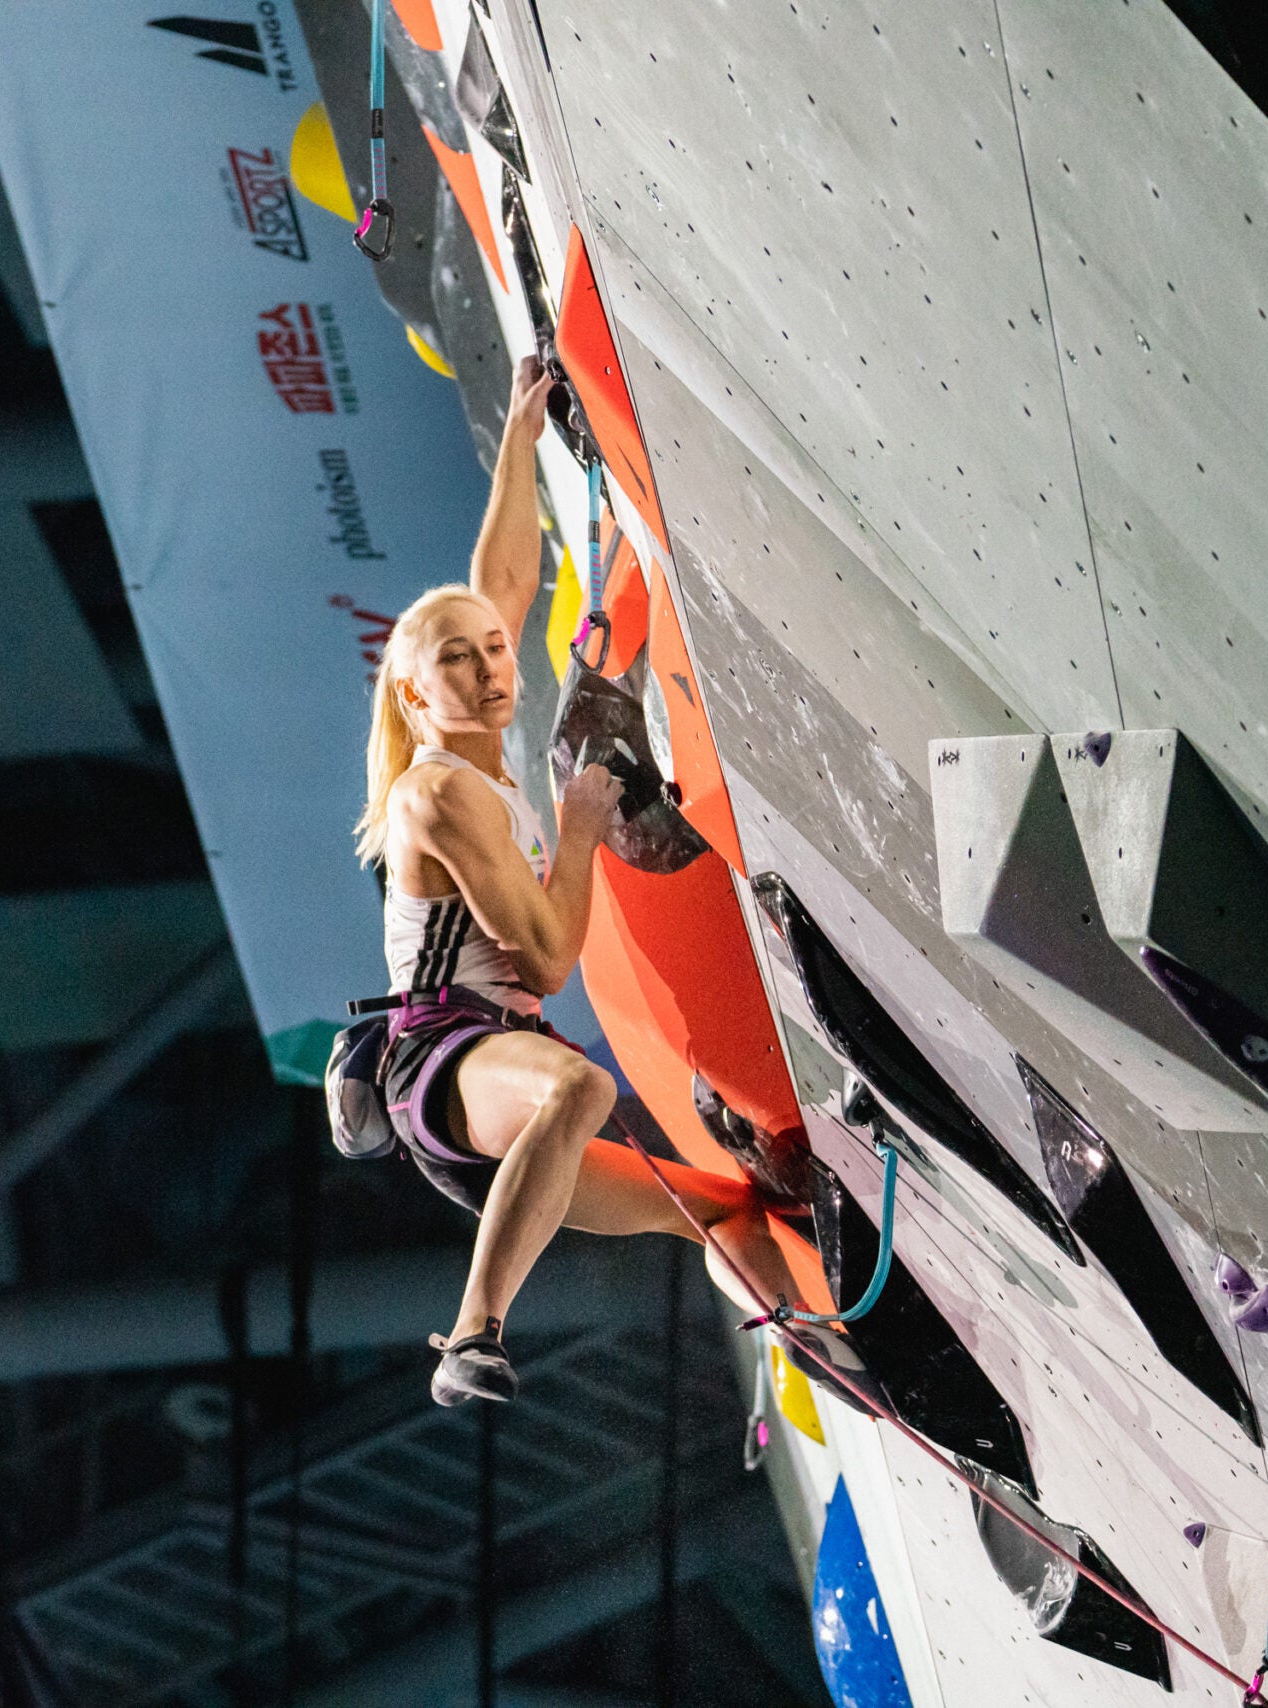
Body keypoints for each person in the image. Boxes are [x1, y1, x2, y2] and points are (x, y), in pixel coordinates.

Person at [357, 356, 805, 1406]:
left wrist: (519, 432)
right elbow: (550, 960)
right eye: (458, 663)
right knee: (580, 1085)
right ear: (415, 696)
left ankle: (808, 1331)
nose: (489, 668)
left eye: (491, 653)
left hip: (497, 1093)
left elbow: (502, 576)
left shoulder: (479, 754)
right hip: (450, 1065)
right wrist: (578, 826)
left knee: (729, 1211)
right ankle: (471, 1335)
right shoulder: (440, 796)